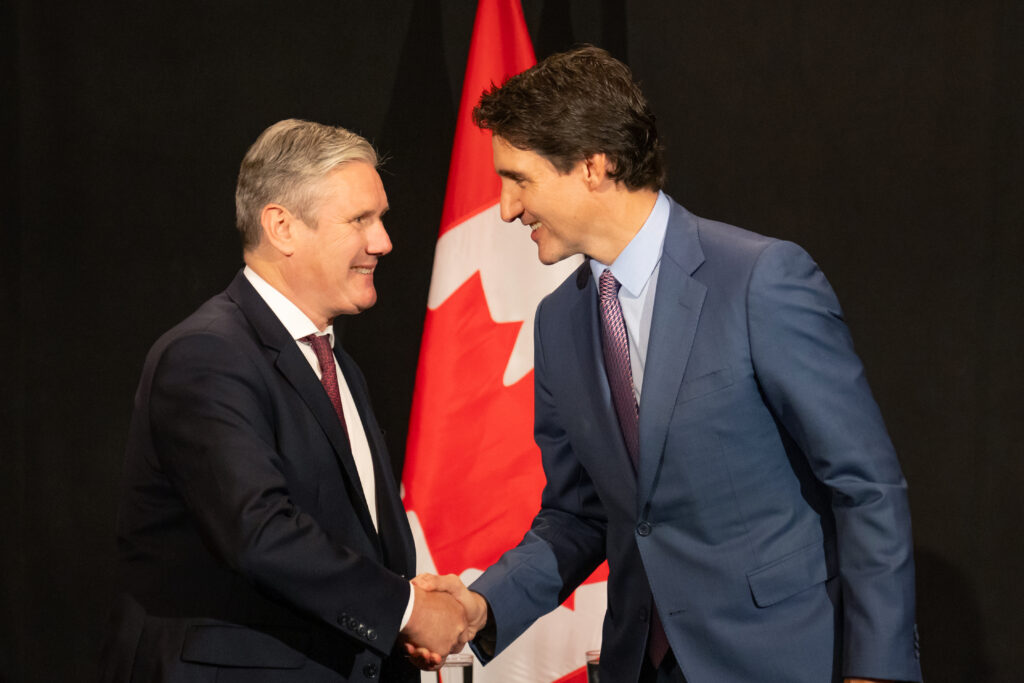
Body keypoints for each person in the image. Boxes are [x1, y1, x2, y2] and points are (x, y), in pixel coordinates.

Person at [414, 47, 922, 683]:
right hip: (639, 665)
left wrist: (876, 671)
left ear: (593, 167)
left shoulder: (760, 280)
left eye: (520, 178)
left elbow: (865, 484)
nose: (509, 208)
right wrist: (481, 604)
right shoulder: (560, 321)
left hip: (781, 658)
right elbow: (580, 515)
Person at [99, 119, 470, 682]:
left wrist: (393, 603)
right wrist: (407, 611)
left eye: (382, 218)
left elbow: (343, 533)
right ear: (282, 227)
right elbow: (259, 532)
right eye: (360, 220)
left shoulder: (332, 359)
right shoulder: (208, 354)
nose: (384, 242)